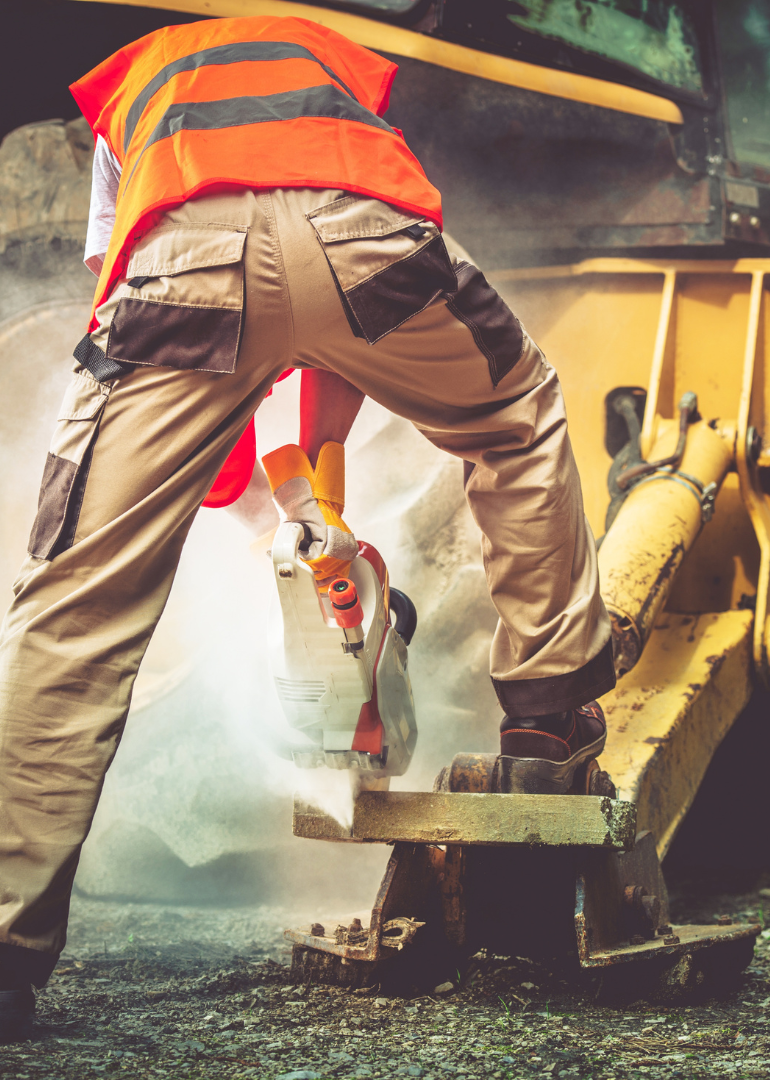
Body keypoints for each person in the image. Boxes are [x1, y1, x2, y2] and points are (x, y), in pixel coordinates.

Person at [0, 14, 614, 1042]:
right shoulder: (331, 60)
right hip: (369, 251)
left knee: (75, 600)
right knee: (516, 422)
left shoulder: (127, 95)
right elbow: (335, 291)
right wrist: (307, 507)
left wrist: (268, 497)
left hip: (177, 273)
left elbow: (152, 301)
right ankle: (548, 718)